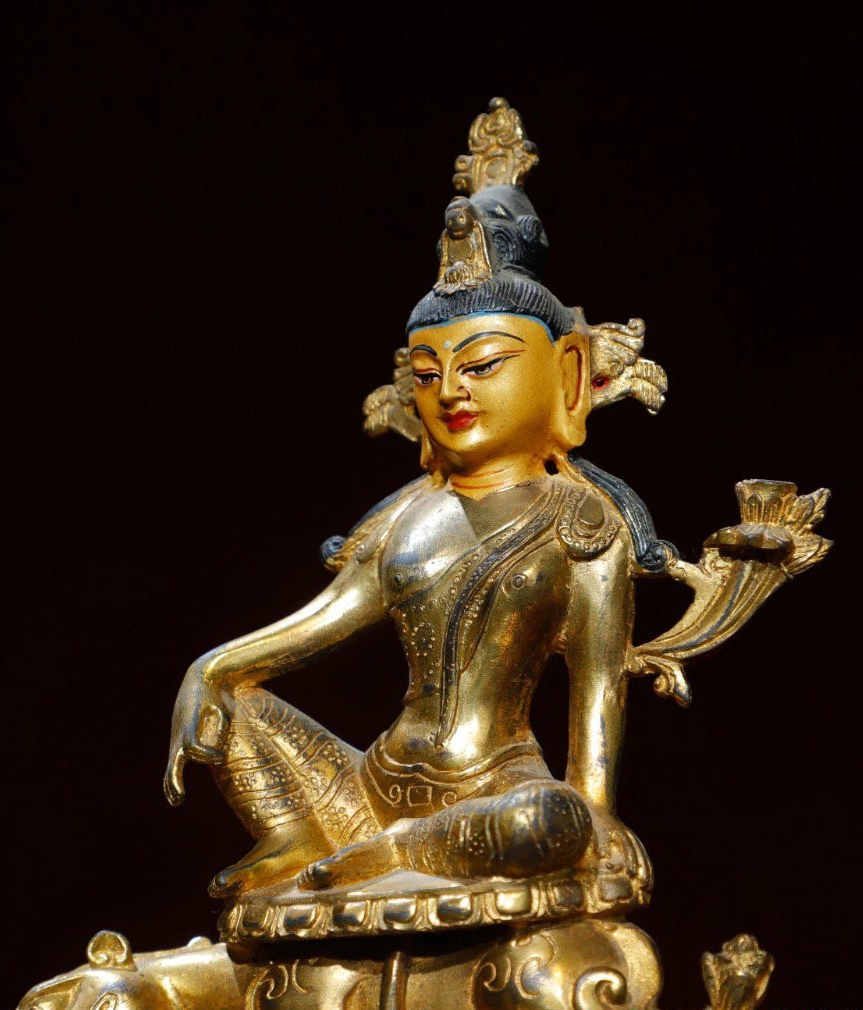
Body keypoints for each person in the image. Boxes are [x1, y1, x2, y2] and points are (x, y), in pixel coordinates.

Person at [163, 100, 670, 901]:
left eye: (484, 365)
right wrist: (213, 666)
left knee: (553, 821)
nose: (452, 392)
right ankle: (310, 843)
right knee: (229, 700)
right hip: (363, 789)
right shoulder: (406, 516)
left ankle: (378, 861)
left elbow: (598, 694)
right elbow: (318, 626)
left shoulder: (581, 522)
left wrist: (596, 818)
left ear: (567, 375)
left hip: (494, 794)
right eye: (429, 375)